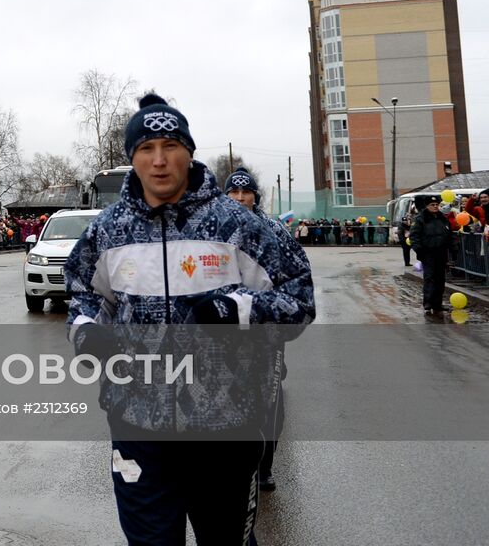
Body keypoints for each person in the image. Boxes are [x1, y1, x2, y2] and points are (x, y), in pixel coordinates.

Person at [65, 93, 315, 546]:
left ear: (189, 152)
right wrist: (85, 332)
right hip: (136, 427)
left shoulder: (238, 225)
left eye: (170, 145)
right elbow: (81, 296)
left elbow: (299, 301)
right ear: (133, 158)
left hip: (226, 429)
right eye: (146, 149)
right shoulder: (107, 230)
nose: (159, 161)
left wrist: (239, 310)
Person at [225, 168, 307, 493]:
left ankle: (264, 466)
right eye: (235, 192)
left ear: (255, 196)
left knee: (269, 399)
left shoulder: (273, 230)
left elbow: (298, 272)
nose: (241, 198)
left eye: (247, 193)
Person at [409, 195, 452, 315]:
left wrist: (453, 248)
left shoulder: (442, 218)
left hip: (441, 253)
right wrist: (419, 251)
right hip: (428, 253)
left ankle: (437, 304)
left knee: (440, 279)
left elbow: (449, 234)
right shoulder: (421, 219)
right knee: (429, 278)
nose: (435, 207)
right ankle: (428, 302)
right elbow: (414, 236)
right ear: (427, 206)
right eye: (432, 205)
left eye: (436, 205)